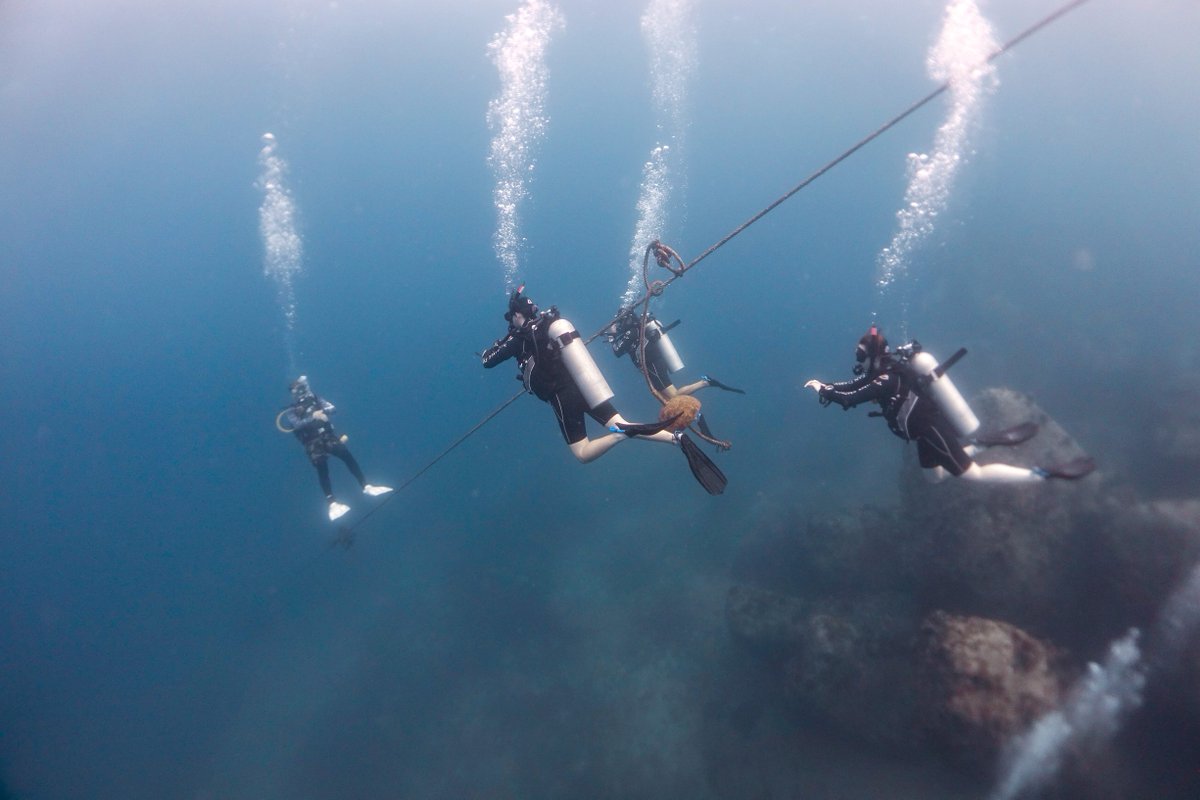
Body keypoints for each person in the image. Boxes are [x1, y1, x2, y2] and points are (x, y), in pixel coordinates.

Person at [481, 286, 726, 493]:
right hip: (586, 384)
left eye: (509, 317)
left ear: (515, 314)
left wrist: (504, 339)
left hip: (563, 397)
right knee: (622, 421)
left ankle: (620, 435)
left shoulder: (519, 337)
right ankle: (676, 438)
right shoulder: (548, 323)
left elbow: (487, 360)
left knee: (583, 453)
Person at [803, 326, 1095, 483]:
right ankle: (982, 442)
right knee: (933, 479)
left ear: (870, 356)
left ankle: (1045, 474)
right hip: (922, 435)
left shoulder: (886, 380)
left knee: (972, 475)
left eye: (859, 355)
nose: (857, 361)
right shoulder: (880, 373)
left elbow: (852, 397)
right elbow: (852, 387)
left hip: (931, 429)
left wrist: (826, 391)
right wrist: (825, 386)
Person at [607, 306, 743, 446]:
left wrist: (611, 336)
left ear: (626, 320)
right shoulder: (635, 330)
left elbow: (617, 351)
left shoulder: (631, 331)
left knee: (674, 396)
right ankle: (696, 409)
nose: (619, 326)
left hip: (653, 365)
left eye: (620, 322)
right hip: (653, 365)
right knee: (668, 397)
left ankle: (703, 386)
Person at [280, 376, 393, 521]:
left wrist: (324, 413)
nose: (301, 392)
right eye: (298, 390)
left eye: (302, 388)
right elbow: (297, 425)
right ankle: (331, 502)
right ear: (293, 393)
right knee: (322, 467)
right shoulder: (291, 410)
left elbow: (332, 408)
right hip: (312, 442)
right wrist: (313, 417)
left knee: (345, 454)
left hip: (327, 436)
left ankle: (366, 485)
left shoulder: (316, 399)